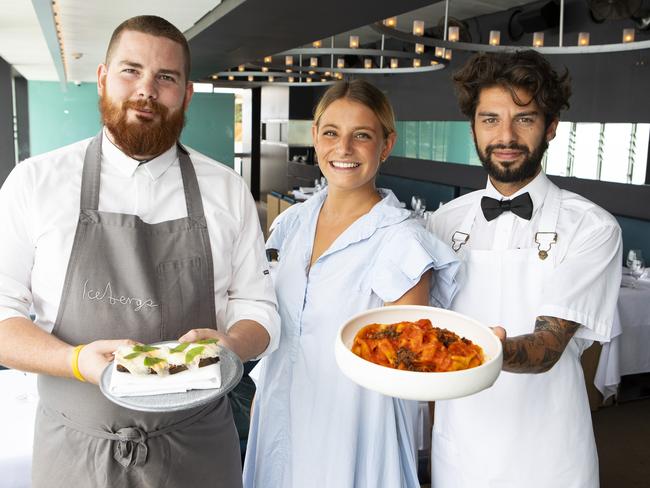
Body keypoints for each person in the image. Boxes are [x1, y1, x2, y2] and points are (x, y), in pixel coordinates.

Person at [0, 15, 279, 488]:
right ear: (104, 79)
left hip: (199, 450)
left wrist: (233, 345)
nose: (146, 89)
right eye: (131, 70)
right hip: (75, 449)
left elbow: (259, 308)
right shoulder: (35, 182)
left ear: (186, 93)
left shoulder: (227, 190)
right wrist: (76, 361)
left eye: (165, 77)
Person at [241, 80, 460, 488]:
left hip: (355, 429)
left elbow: (407, 366)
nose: (343, 149)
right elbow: (277, 331)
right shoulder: (289, 225)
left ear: (386, 144)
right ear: (315, 137)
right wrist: (259, 403)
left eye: (361, 136)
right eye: (331, 133)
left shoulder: (403, 241)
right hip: (278, 417)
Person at [426, 50, 622, 487]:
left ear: (550, 127)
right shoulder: (443, 222)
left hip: (548, 452)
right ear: (474, 127)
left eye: (525, 119)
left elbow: (548, 346)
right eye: (490, 119)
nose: (506, 135)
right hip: (460, 446)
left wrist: (482, 350)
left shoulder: (592, 227)